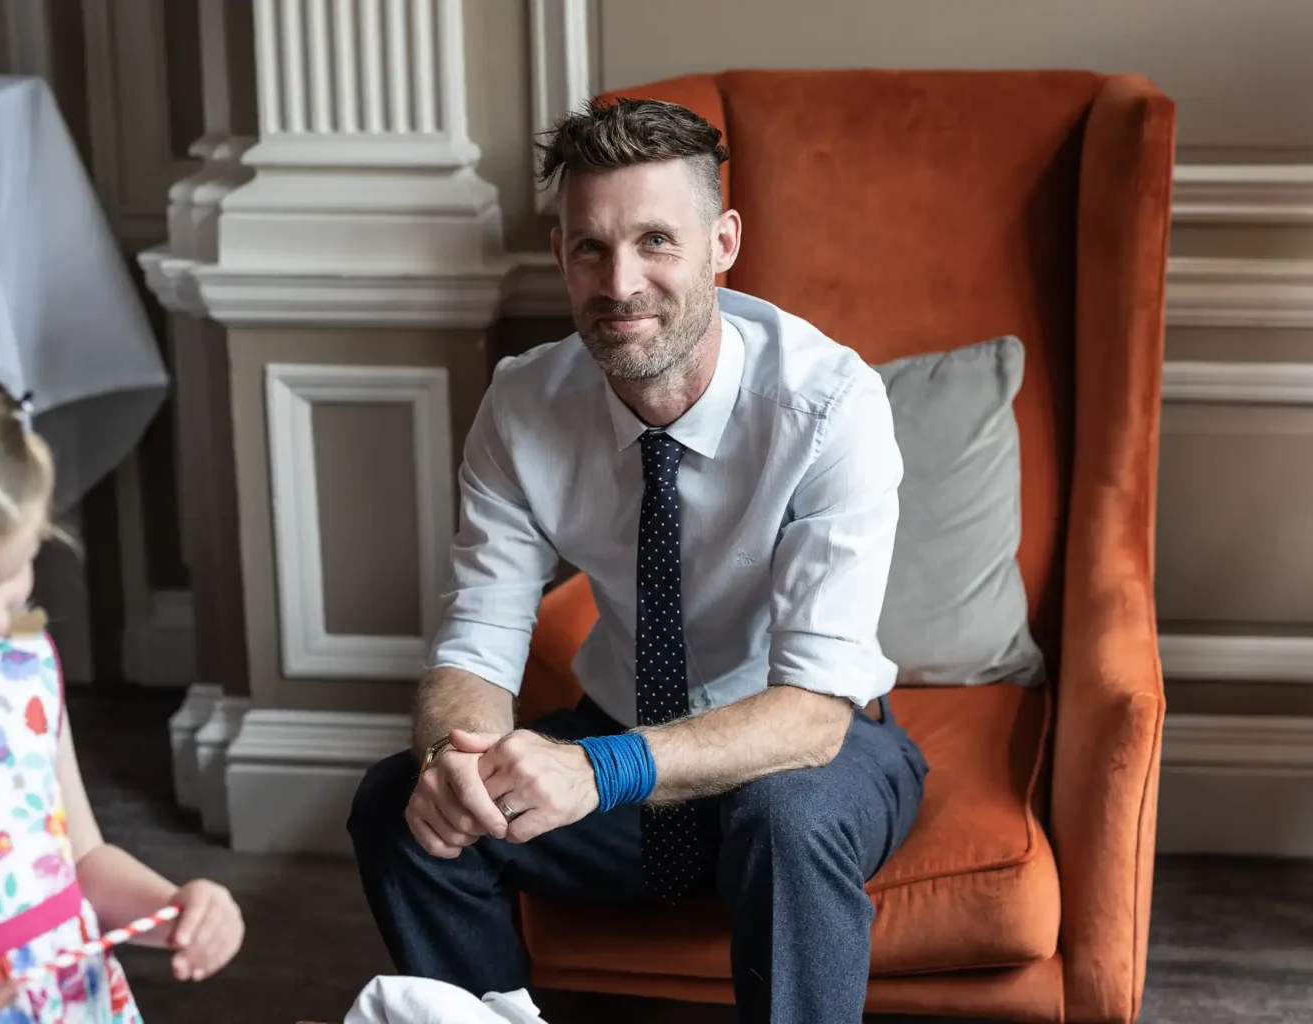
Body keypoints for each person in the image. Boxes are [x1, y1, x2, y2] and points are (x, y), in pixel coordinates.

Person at [348, 97, 928, 1024]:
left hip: (802, 755)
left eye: (657, 240)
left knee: (788, 819)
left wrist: (602, 770)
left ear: (722, 243)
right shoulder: (523, 405)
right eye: (591, 248)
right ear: (561, 255)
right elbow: (476, 641)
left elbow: (815, 714)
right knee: (401, 810)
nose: (621, 284)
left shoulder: (829, 406)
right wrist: (449, 764)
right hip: (618, 736)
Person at [0, 353, 244, 1024]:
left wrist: (178, 910)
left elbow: (83, 861)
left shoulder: (23, 662)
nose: (0, 619)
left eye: (20, 567)